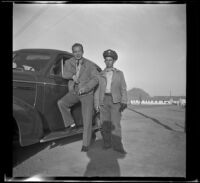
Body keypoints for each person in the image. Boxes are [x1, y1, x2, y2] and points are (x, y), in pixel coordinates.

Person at [57, 43, 99, 152]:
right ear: (72, 52)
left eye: (79, 51)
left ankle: (86, 144)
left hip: (87, 94)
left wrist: (85, 88)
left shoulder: (90, 65)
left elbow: (95, 79)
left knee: (87, 119)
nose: (77, 53)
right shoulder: (68, 62)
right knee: (61, 103)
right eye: (75, 51)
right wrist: (72, 76)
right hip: (74, 92)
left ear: (83, 51)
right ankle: (71, 124)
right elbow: (64, 74)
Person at [94, 49, 128, 154]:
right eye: (106, 60)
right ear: (104, 61)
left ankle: (118, 146)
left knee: (116, 124)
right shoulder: (100, 74)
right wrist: (96, 104)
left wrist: (124, 101)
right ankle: (107, 144)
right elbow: (97, 90)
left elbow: (123, 88)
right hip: (103, 101)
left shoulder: (119, 73)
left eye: (110, 60)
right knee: (105, 124)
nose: (108, 62)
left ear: (113, 61)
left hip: (115, 101)